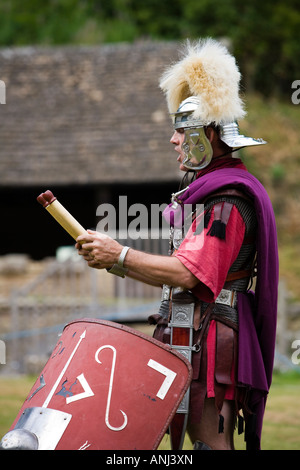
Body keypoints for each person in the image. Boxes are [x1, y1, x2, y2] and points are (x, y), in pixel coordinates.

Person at [75, 38, 278, 450]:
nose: (173, 140)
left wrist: (119, 256)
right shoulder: (211, 194)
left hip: (214, 334)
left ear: (206, 137)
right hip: (193, 326)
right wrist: (115, 260)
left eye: (181, 130)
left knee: (209, 443)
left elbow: (189, 272)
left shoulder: (227, 202)